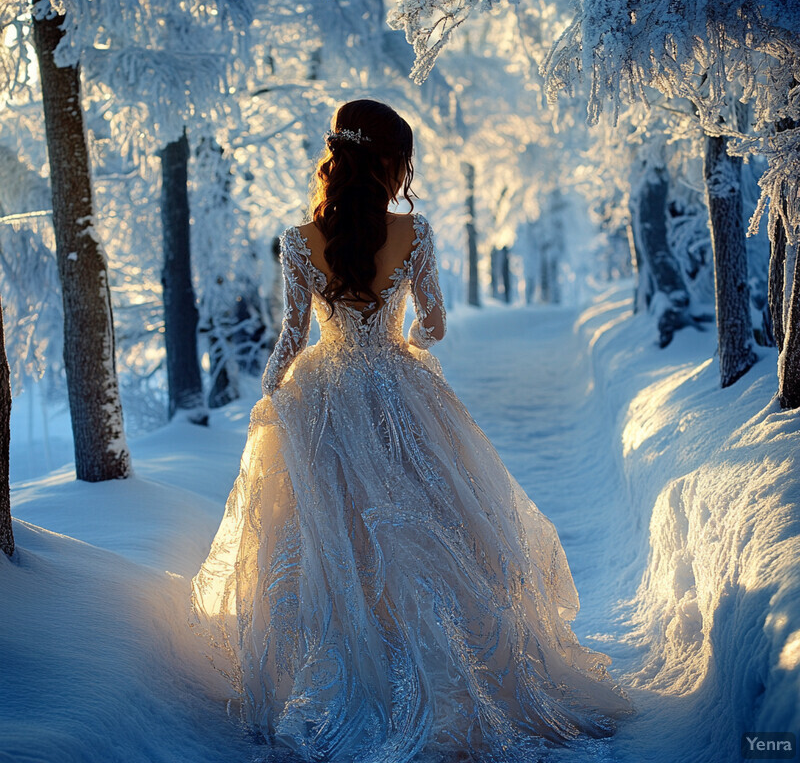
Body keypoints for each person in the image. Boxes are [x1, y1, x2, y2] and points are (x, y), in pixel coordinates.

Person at [189, 99, 635, 762]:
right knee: (432, 526)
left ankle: (342, 671)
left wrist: (274, 395)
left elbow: (289, 338)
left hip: (325, 398)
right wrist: (402, 341)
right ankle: (439, 663)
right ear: (391, 164)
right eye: (405, 161)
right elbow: (435, 326)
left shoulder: (294, 242)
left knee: (333, 536)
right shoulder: (416, 233)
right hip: (401, 391)